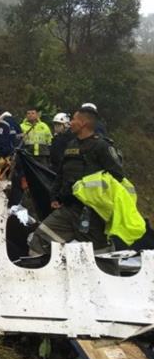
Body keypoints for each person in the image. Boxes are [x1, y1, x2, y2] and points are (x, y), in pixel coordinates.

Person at [28, 107, 124, 257]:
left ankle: (111, 277)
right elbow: (61, 173)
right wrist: (55, 196)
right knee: (41, 239)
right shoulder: (71, 144)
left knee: (100, 254)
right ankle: (39, 276)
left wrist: (91, 191)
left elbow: (117, 176)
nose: (70, 123)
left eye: (73, 119)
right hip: (68, 208)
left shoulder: (102, 147)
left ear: (83, 123)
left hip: (92, 213)